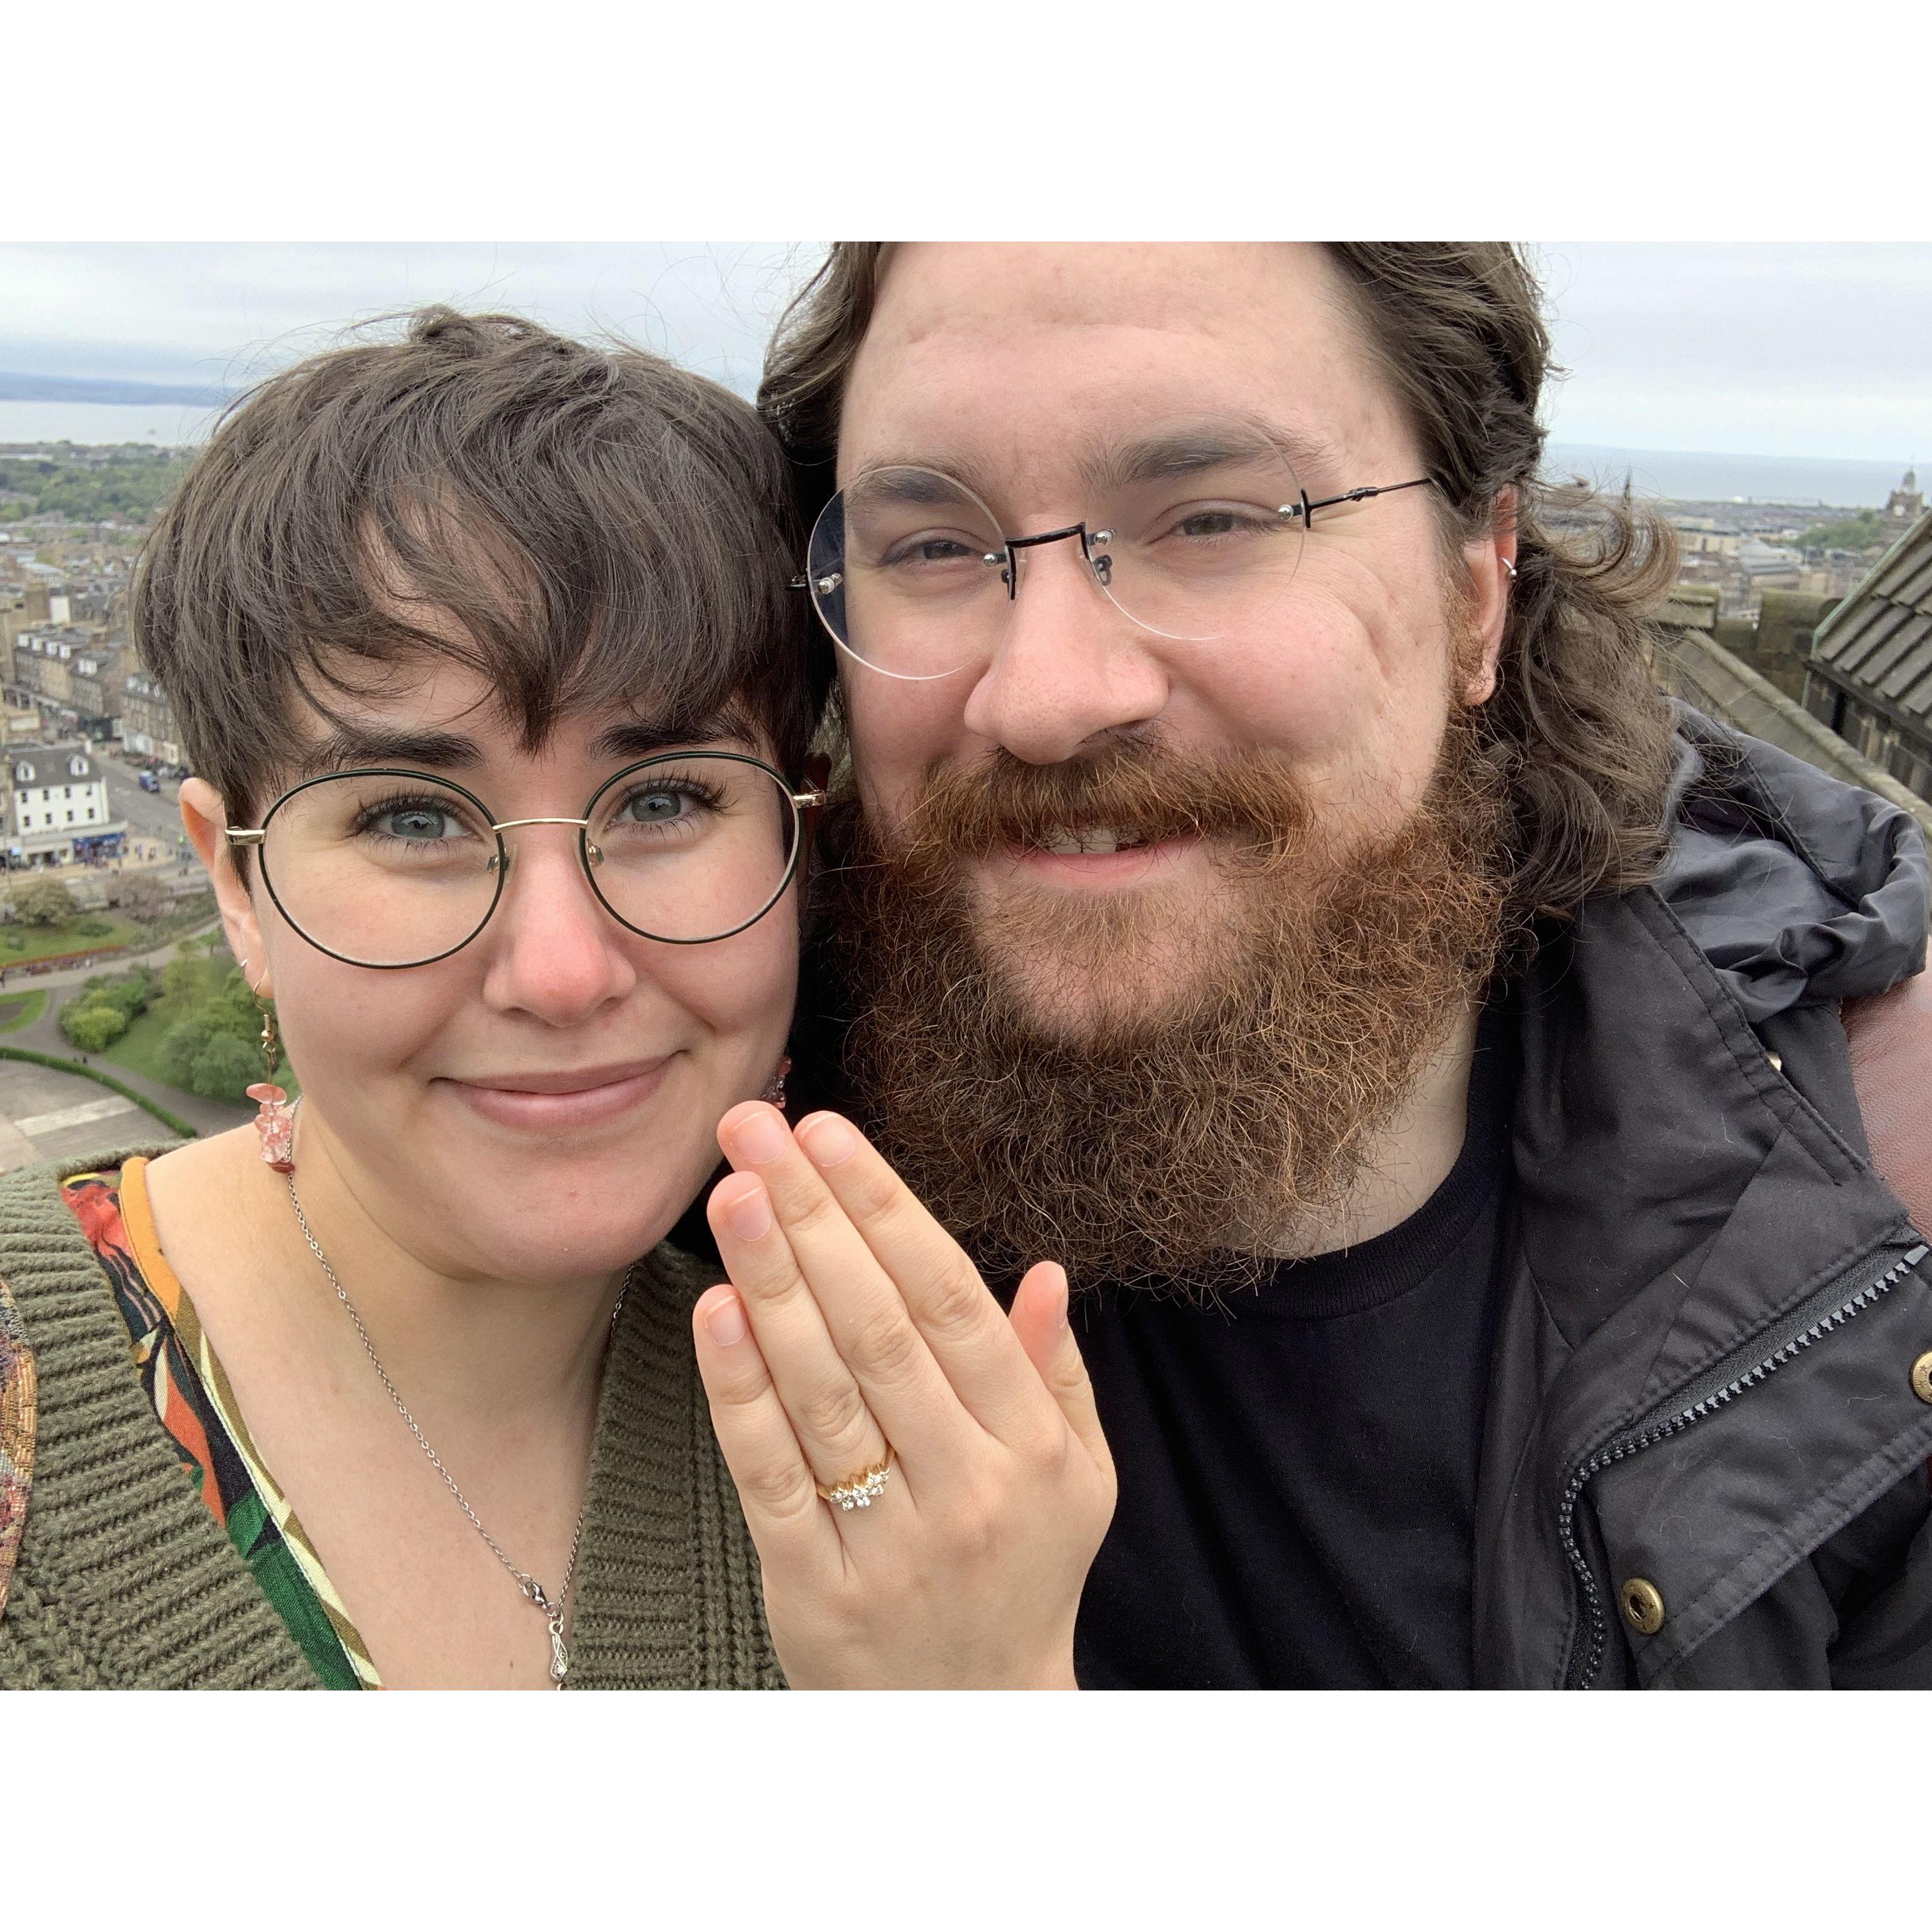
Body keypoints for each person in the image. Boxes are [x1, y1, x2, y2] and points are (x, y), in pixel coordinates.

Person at [750, 243, 1932, 1689]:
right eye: (931, 546)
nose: (1047, 696)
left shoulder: (1868, 1241)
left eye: (1209, 518)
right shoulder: (677, 1086)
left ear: (1476, 589)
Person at [0, 307, 1111, 1689]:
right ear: (233, 883)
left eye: (662, 799)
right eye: (413, 817)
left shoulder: (899, 1491)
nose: (563, 969)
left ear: (797, 839)